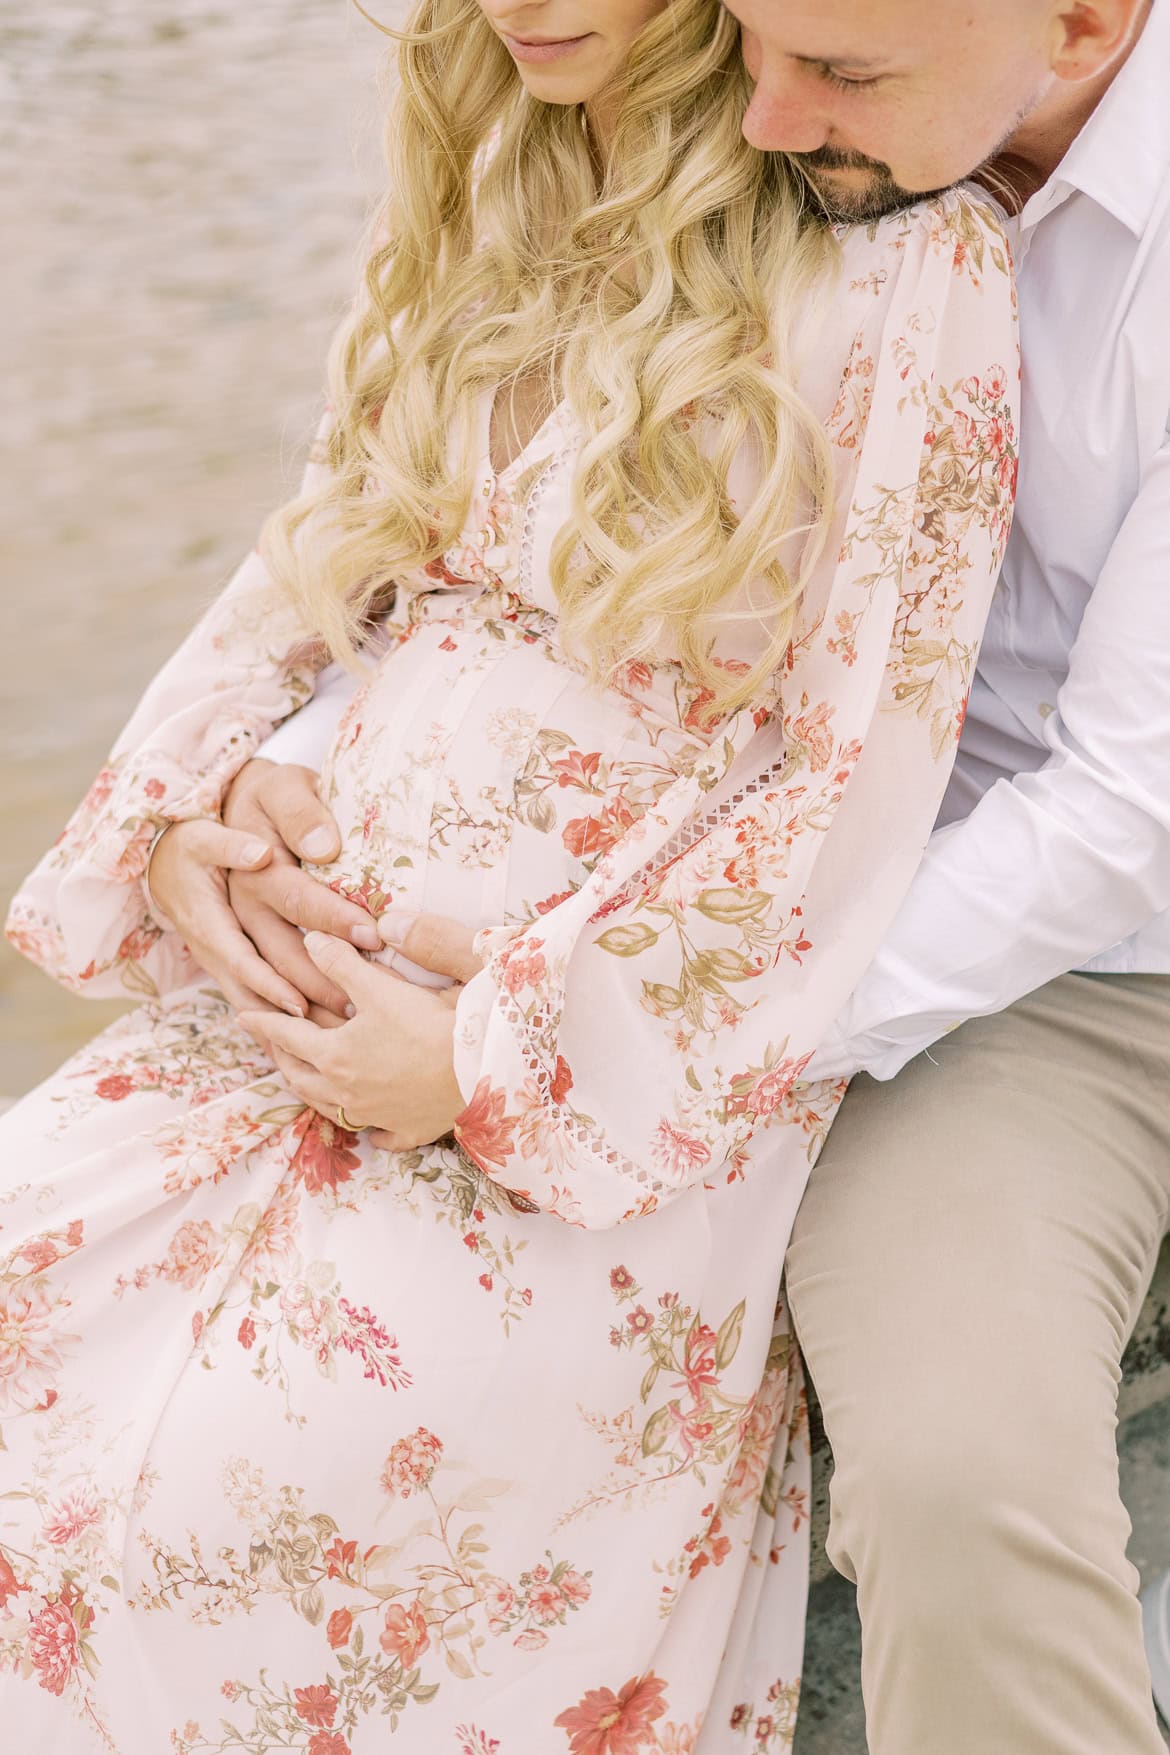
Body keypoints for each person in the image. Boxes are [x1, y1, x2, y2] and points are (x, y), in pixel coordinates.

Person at [0, 0, 1017, 1748]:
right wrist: (187, 826)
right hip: (297, 992)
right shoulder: (494, 188)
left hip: (601, 1058)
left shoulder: (914, 265)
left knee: (242, 1501)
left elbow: (859, 778)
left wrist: (488, 1061)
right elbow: (315, 565)